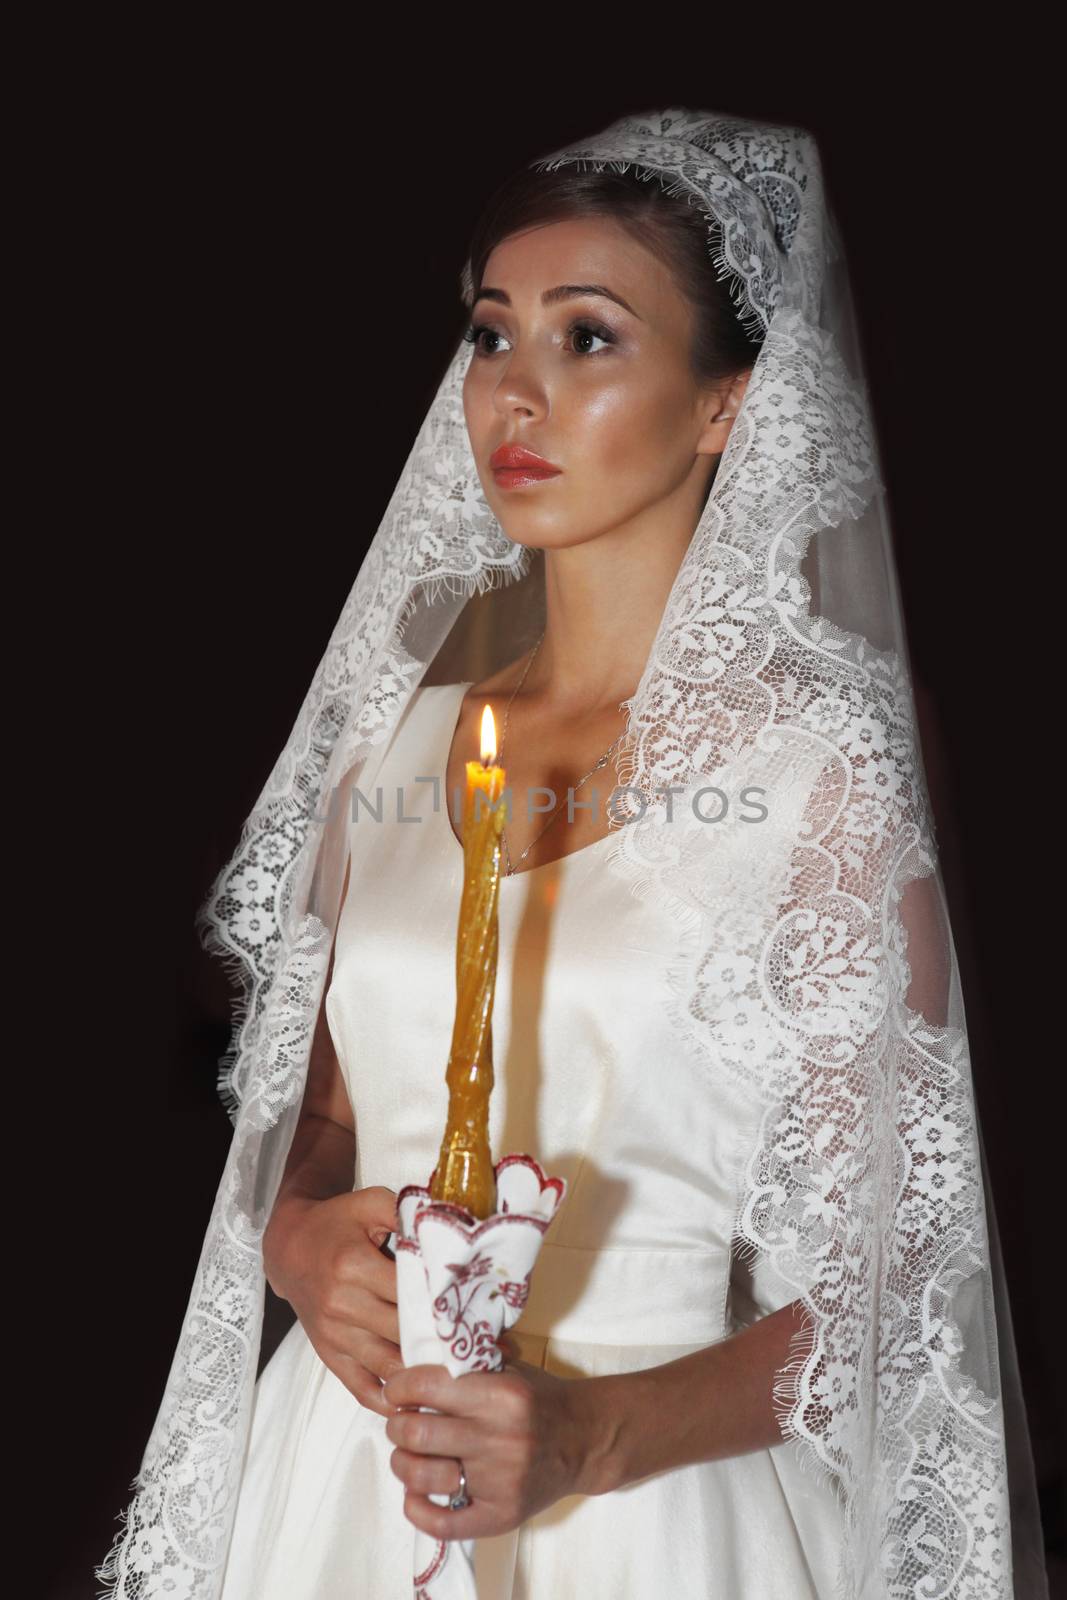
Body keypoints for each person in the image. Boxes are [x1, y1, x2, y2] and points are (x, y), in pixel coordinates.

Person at [98, 109, 1049, 1600]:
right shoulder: (399, 750)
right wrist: (300, 1244)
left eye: (590, 338)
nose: (514, 395)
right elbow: (327, 1121)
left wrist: (592, 1436)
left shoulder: (821, 773)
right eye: (492, 335)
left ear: (731, 404)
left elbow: (900, 1285)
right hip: (350, 1468)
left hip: (654, 1496)